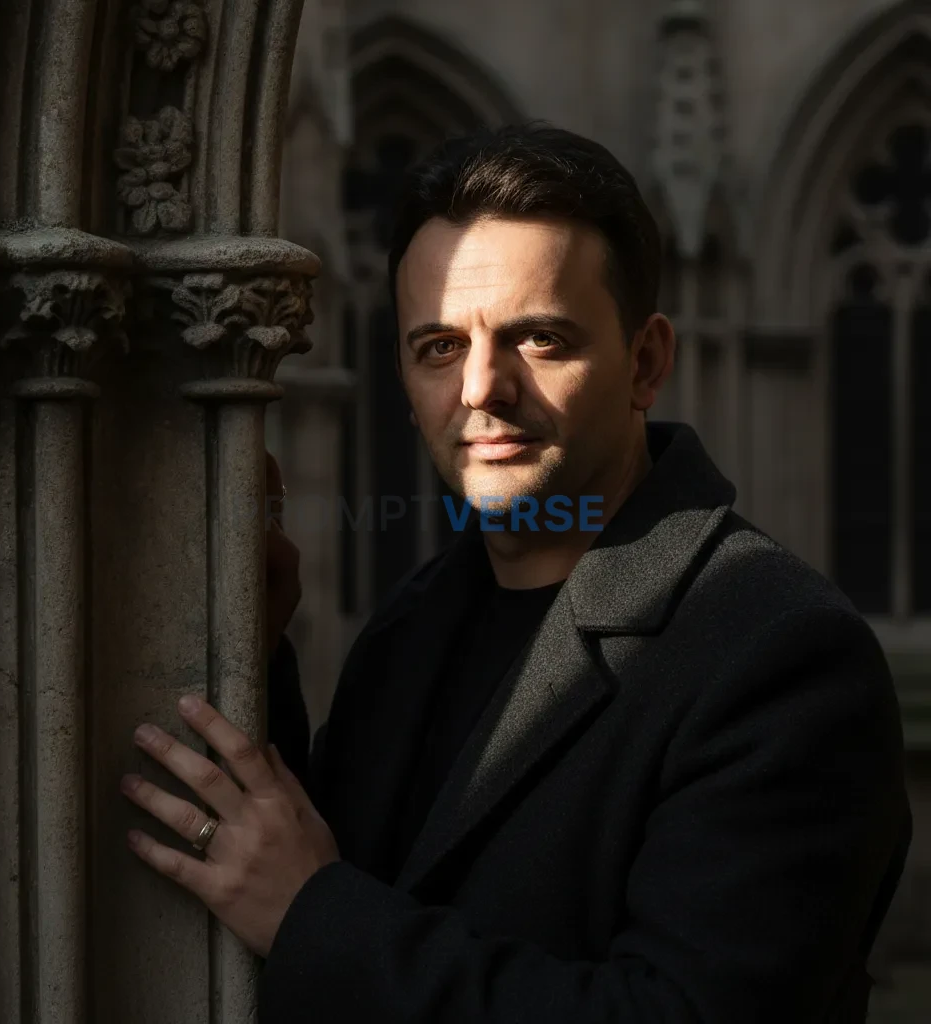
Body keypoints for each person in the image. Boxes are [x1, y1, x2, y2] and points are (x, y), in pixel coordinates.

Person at [120, 123, 911, 1023]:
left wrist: (313, 918)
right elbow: (354, 862)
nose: (480, 388)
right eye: (440, 347)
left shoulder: (779, 652)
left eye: (537, 339)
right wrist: (247, 652)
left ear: (645, 362)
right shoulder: (412, 627)